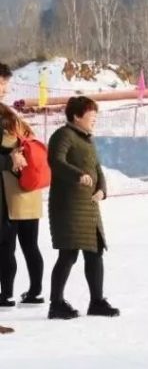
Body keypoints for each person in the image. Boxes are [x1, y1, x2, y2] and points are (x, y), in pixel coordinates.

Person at [46, 96, 118, 320]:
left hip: (89, 206)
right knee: (68, 253)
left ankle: (97, 301)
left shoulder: (87, 139)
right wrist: (78, 175)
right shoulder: (63, 135)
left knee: (95, 253)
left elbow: (97, 168)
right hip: (68, 206)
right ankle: (56, 304)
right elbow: (56, 161)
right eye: (90, 114)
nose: (94, 118)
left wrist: (102, 189)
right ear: (77, 116)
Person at [0, 103, 46, 306]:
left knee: (6, 248)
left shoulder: (6, 138)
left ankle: (6, 295)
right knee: (31, 246)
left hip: (12, 198)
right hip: (32, 196)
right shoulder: (25, 130)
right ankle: (35, 292)